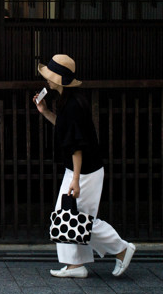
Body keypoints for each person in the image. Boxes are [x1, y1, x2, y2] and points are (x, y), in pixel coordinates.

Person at [33, 54, 135, 279]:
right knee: (67, 215)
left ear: (60, 79)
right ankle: (74, 265)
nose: (47, 80)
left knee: (79, 219)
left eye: (51, 76)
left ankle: (121, 249)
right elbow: (66, 130)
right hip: (82, 168)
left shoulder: (73, 105)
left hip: (85, 170)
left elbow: (76, 146)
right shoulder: (68, 101)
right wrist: (45, 112)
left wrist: (76, 180)